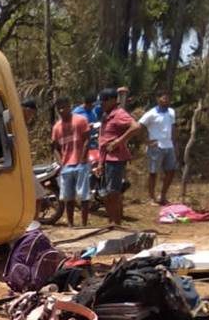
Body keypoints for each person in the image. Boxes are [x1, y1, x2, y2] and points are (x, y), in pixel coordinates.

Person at [97, 87, 142, 225]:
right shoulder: (106, 116)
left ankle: (116, 224)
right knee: (105, 194)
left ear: (112, 100)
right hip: (105, 159)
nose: (102, 104)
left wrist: (118, 142)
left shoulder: (119, 114)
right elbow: (102, 141)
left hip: (115, 159)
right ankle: (112, 222)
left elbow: (136, 127)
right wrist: (100, 163)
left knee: (113, 193)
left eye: (104, 101)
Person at [51, 96, 91, 226]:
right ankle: (70, 224)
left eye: (64, 107)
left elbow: (86, 139)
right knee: (68, 198)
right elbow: (54, 147)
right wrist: (61, 163)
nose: (62, 110)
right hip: (66, 165)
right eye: (59, 108)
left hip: (81, 163)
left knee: (83, 196)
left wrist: (82, 158)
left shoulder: (80, 121)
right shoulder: (56, 127)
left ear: (69, 106)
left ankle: (84, 225)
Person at [138, 91, 177, 205]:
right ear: (157, 99)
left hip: (169, 146)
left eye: (167, 98)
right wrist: (145, 141)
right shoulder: (151, 113)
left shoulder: (171, 112)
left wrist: (175, 143)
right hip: (156, 147)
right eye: (163, 98)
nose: (166, 100)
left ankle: (163, 196)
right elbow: (139, 126)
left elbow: (173, 127)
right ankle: (151, 198)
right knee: (153, 173)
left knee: (171, 171)